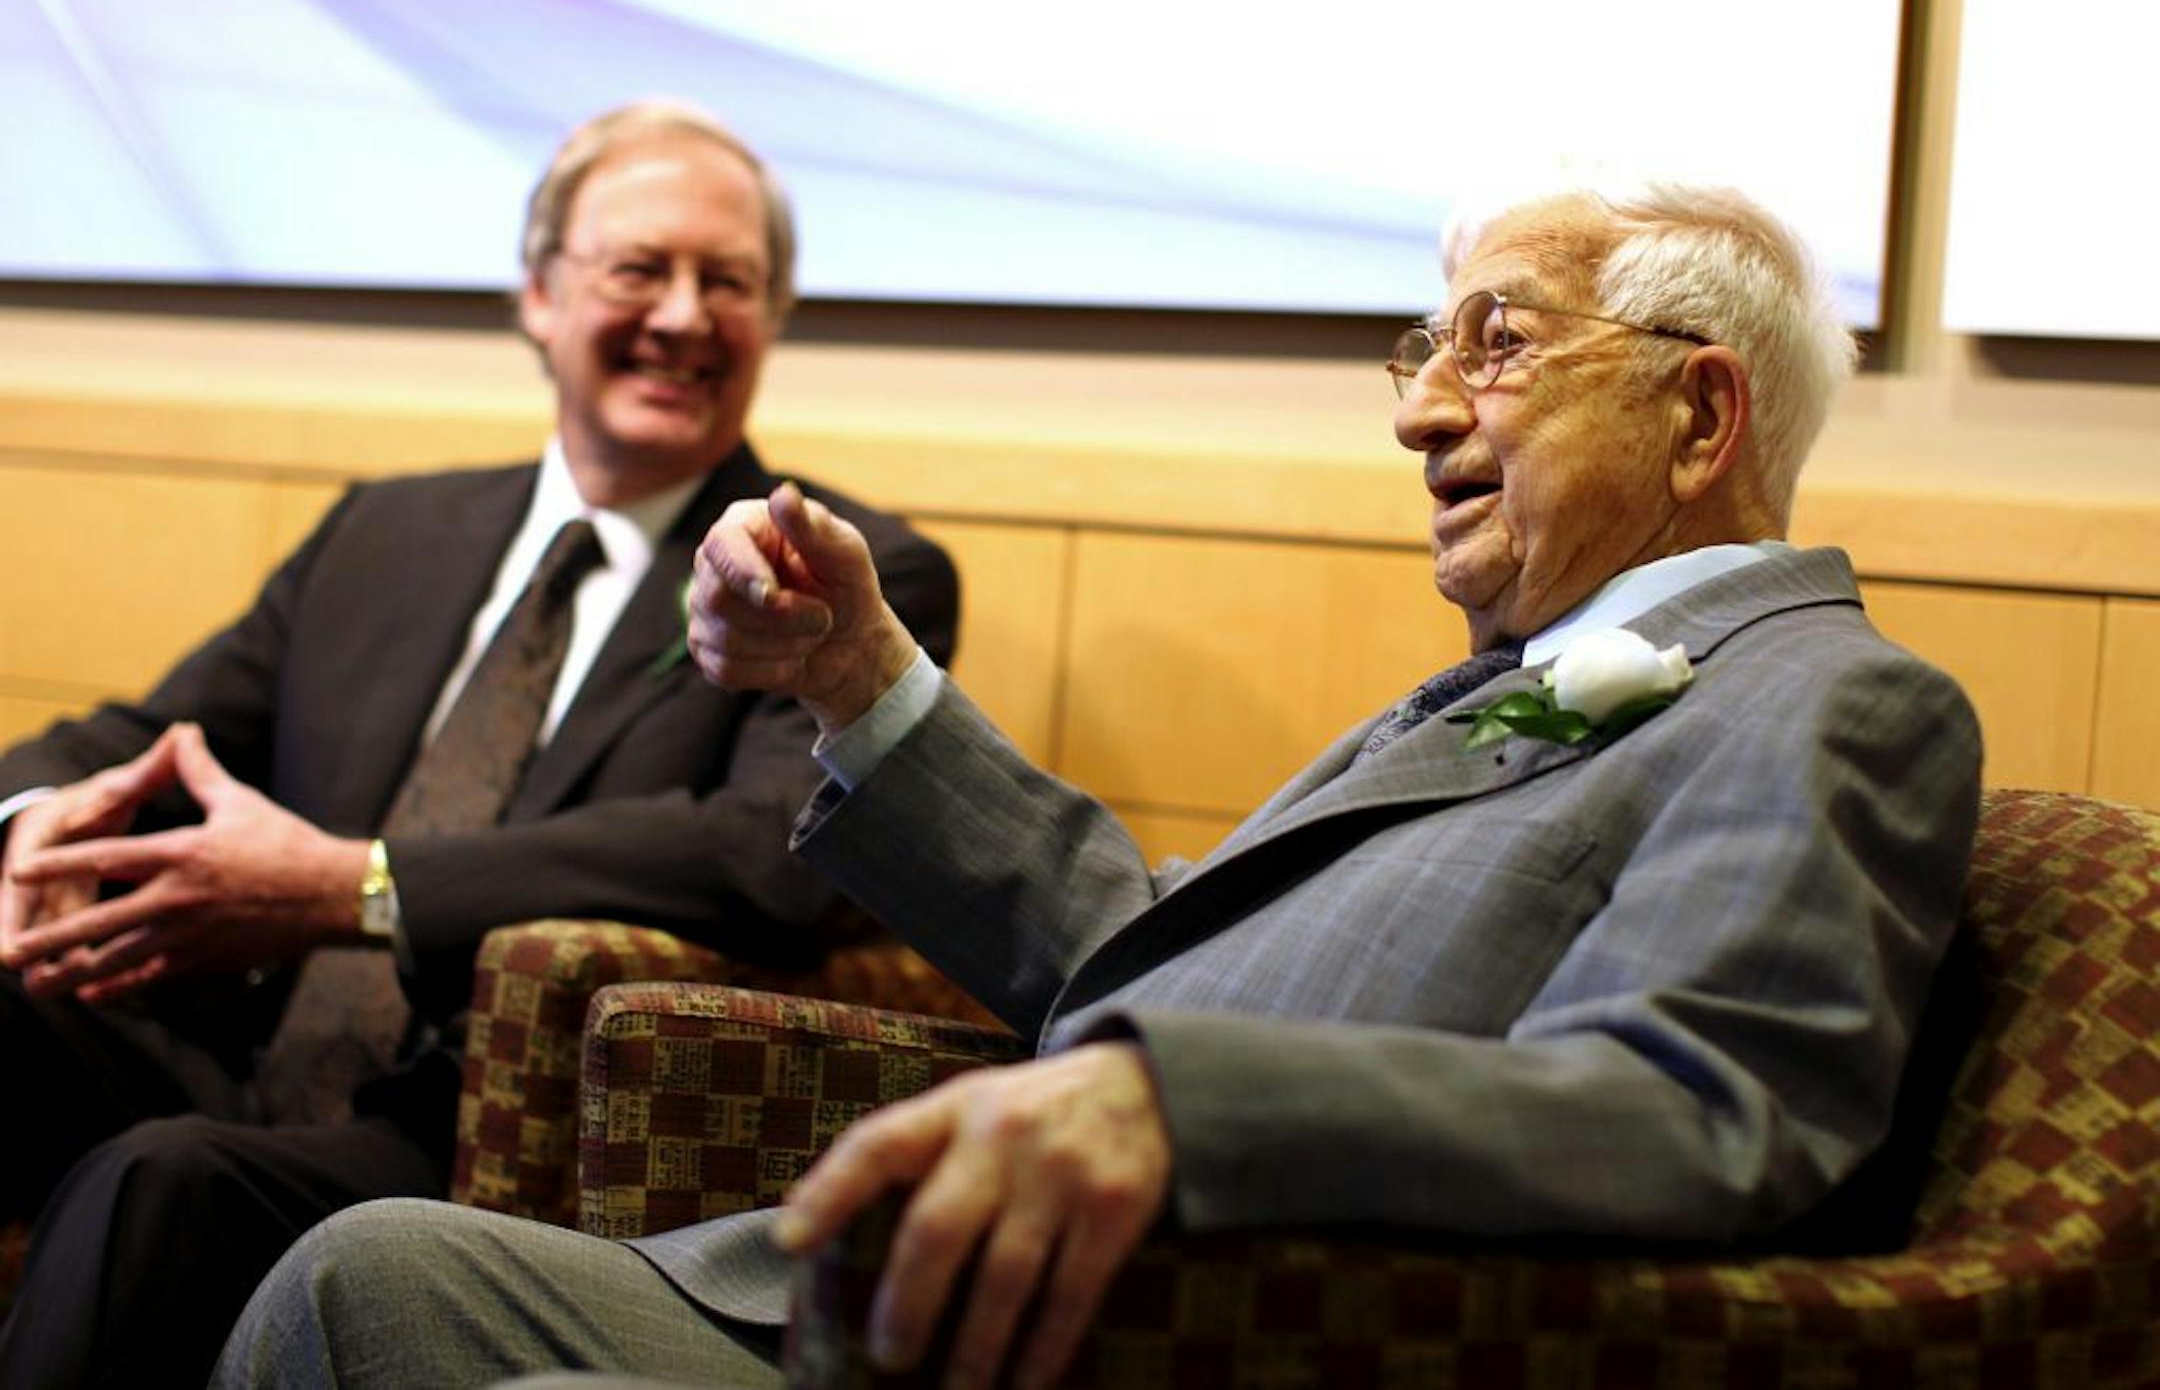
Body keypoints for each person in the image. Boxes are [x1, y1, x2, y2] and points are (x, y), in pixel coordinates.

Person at [216, 184, 1980, 1390]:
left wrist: (1178, 1114)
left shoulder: (1835, 704)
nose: (1420, 411)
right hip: (932, 1292)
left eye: (1496, 345)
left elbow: (1704, 1110)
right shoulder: (1486, 690)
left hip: (1205, 1330)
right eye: (1421, 352)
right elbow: (1145, 952)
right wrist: (862, 680)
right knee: (357, 1274)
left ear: (1700, 415)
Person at [0, 100, 959, 1390]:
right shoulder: (387, 531)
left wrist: (361, 888)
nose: (683, 315)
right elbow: (144, 736)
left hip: (475, 1121)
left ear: (771, 319)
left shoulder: (837, 571)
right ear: (541, 295)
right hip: (238, 1050)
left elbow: (767, 854)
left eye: (728, 282)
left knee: (158, 1181)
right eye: (639, 270)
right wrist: (32, 823)